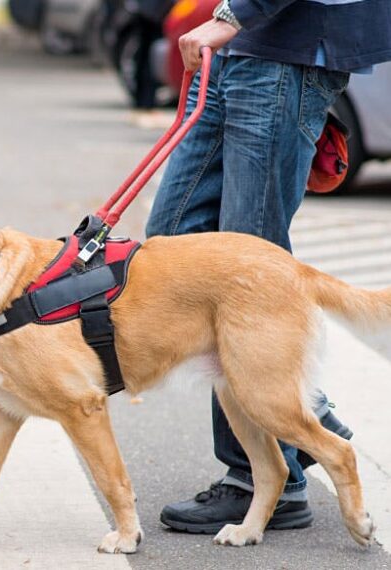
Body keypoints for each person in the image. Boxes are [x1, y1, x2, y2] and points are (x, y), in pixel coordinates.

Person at [144, 0, 391, 534]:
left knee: (244, 277)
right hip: (241, 47)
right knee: (170, 246)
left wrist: (231, 16)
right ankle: (305, 413)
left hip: (285, 50)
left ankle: (262, 483)